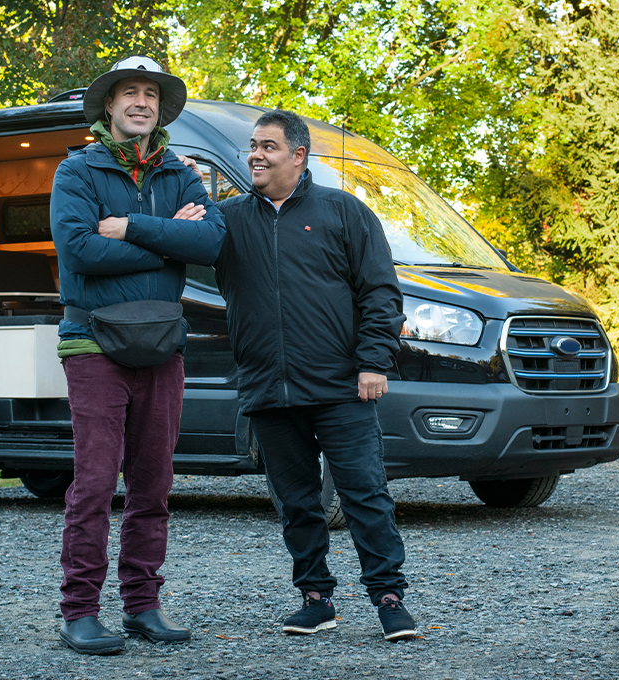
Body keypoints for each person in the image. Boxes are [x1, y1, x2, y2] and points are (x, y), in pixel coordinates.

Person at [214, 110, 417, 642]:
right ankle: (315, 598)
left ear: (298, 156)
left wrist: (374, 360)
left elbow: (380, 291)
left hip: (340, 386)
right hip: (267, 388)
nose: (255, 155)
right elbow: (176, 242)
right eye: (252, 146)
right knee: (297, 503)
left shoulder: (343, 211)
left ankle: (389, 599)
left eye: (268, 146)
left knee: (365, 494)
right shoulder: (229, 218)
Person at [49, 55, 226, 655]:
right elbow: (77, 253)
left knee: (153, 484)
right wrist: (166, 237)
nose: (140, 102)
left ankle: (143, 607)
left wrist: (127, 227)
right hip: (94, 342)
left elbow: (210, 242)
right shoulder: (76, 171)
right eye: (129, 92)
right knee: (96, 482)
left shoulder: (180, 171)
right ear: (109, 105)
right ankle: (79, 611)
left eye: (150, 93)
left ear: (160, 107)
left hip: (161, 346)